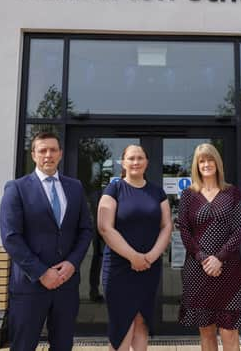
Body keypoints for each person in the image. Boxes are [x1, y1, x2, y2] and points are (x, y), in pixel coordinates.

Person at [0, 131, 93, 351]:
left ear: (60, 154)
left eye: (53, 150)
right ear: (33, 155)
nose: (48, 155)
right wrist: (42, 272)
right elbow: (11, 237)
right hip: (30, 285)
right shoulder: (17, 188)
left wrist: (72, 264)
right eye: (42, 150)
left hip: (66, 284)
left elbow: (85, 230)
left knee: (62, 345)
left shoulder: (75, 187)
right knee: (24, 345)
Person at [177, 143, 241, 351]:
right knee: (206, 331)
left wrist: (219, 258)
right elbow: (184, 230)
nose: (206, 164)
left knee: (230, 331)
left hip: (229, 270)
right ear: (196, 165)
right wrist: (203, 258)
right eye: (201, 161)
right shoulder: (188, 195)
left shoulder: (233, 193)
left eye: (210, 159)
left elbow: (239, 229)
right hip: (198, 270)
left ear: (217, 163)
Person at [97, 145, 172, 351]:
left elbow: (167, 225)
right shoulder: (114, 189)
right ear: (123, 162)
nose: (136, 162)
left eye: (140, 158)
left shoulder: (157, 192)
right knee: (122, 323)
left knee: (142, 319)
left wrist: (151, 256)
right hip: (119, 268)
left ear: (147, 162)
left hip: (149, 267)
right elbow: (105, 227)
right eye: (131, 158)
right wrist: (134, 257)